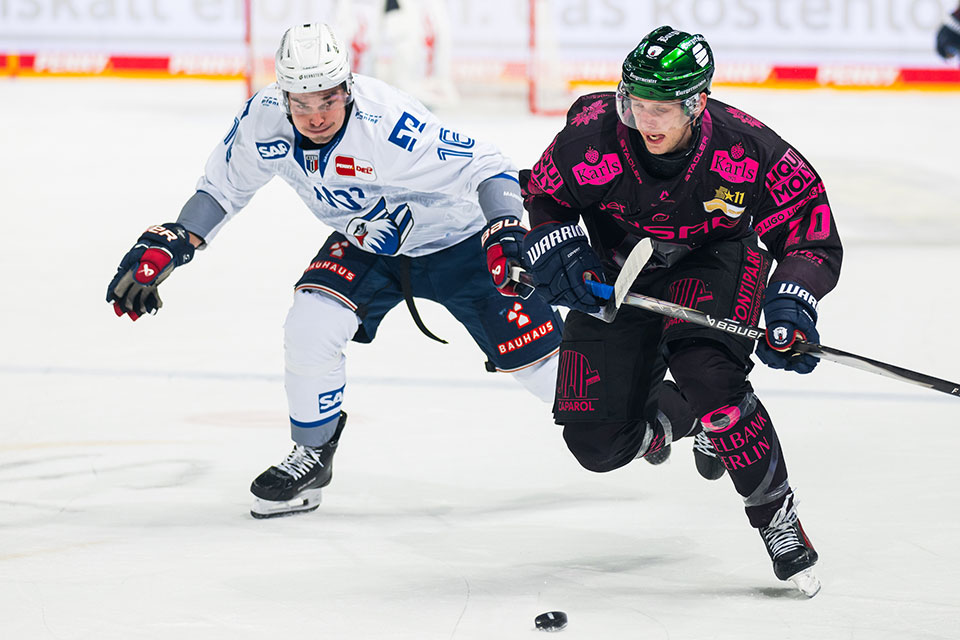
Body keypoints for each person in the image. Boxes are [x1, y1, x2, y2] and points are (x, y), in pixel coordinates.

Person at [105, 23, 565, 519]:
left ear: (347, 87)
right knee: (311, 322)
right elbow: (222, 189)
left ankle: (638, 399)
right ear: (283, 95)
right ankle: (313, 455)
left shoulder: (389, 123)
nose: (315, 116)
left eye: (327, 100)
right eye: (300, 103)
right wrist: (179, 241)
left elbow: (488, 165)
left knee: (550, 381)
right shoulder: (265, 118)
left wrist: (502, 227)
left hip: (463, 245)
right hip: (370, 244)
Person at [513, 26, 842, 595]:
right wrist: (563, 250)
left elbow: (809, 234)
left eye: (662, 108)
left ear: (696, 103)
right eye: (636, 103)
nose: (647, 121)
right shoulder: (592, 139)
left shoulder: (748, 149)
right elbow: (546, 195)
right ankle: (684, 420)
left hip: (713, 260)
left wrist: (790, 299)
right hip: (619, 269)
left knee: (707, 373)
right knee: (596, 443)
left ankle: (776, 518)